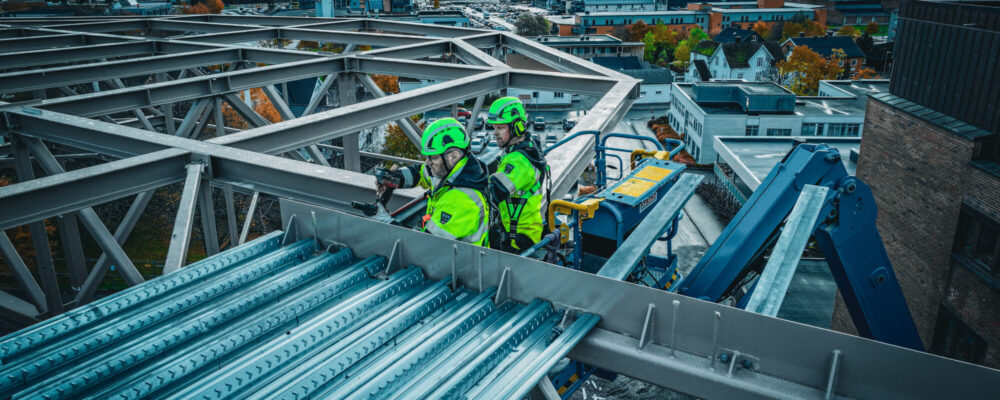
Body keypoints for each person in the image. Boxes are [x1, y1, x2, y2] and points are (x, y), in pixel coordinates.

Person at [373, 118, 490, 247]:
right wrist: (395, 178)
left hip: (459, 264)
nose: (428, 162)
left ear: (453, 157)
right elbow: (421, 173)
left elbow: (422, 246)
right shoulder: (456, 171)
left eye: (433, 157)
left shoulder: (462, 200)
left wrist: (384, 221)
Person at [486, 96, 548, 253]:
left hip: (518, 239)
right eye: (494, 127)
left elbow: (493, 192)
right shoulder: (524, 148)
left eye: (500, 128)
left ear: (518, 127)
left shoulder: (519, 161)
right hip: (520, 231)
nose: (495, 133)